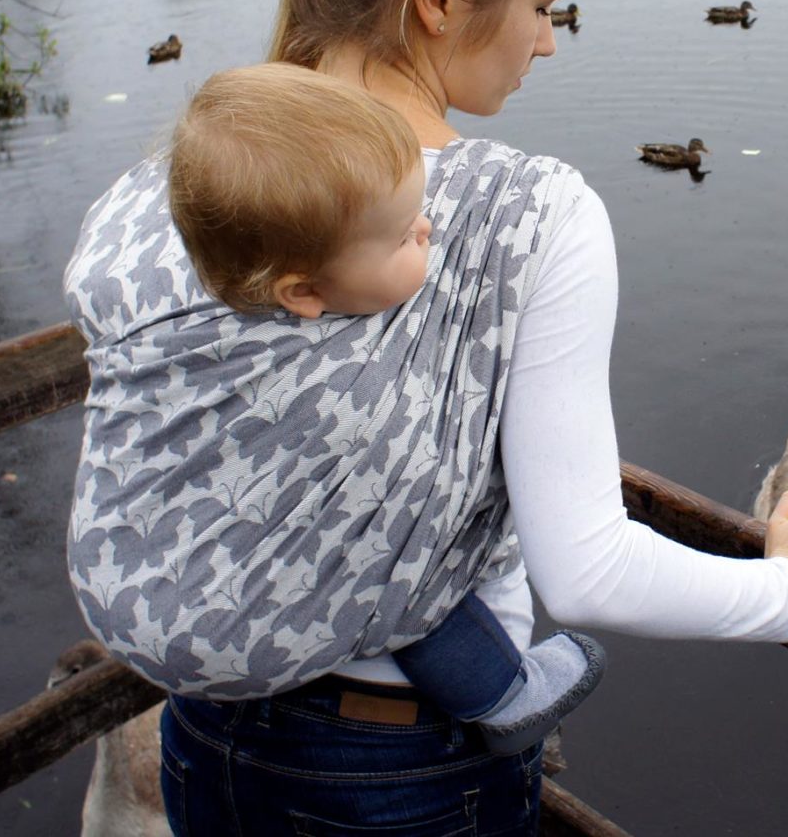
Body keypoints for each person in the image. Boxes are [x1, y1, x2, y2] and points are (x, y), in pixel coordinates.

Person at [65, 0, 788, 837]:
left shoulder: (189, 172)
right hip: (393, 769)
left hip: (209, 737)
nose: (550, 44)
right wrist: (787, 587)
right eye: (544, 7)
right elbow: (589, 567)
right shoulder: (529, 212)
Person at [162, 60, 606, 756]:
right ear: (304, 292)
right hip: (377, 743)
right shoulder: (342, 399)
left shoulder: (210, 326)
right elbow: (411, 528)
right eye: (402, 237)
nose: (428, 232)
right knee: (410, 575)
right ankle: (505, 695)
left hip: (204, 722)